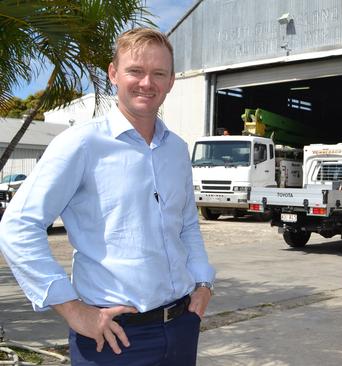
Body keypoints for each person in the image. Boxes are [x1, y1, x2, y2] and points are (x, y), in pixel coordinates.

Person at [0, 28, 215, 366]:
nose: (147, 82)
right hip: (112, 338)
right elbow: (17, 225)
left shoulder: (176, 149)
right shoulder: (81, 144)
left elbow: (187, 224)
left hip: (181, 326)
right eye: (136, 71)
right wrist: (72, 309)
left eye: (159, 73)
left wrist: (203, 283)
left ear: (171, 80)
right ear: (114, 73)